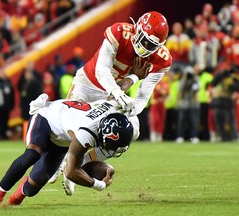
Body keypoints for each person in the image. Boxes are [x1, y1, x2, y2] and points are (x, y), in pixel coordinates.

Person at [49, 10, 172, 183]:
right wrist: (126, 84)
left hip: (114, 94)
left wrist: (126, 108)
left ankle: (78, 162)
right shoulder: (118, 32)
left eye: (151, 45)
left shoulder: (161, 59)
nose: (144, 47)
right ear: (137, 29)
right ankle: (53, 161)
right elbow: (101, 70)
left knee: (132, 130)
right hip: (88, 85)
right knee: (68, 130)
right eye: (143, 39)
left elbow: (143, 97)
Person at [0, 93, 140, 209]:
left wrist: (132, 78)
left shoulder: (115, 110)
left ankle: (18, 195)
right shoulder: (85, 133)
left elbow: (119, 90)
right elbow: (70, 172)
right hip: (46, 118)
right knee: (32, 155)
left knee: (36, 184)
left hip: (62, 137)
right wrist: (100, 185)